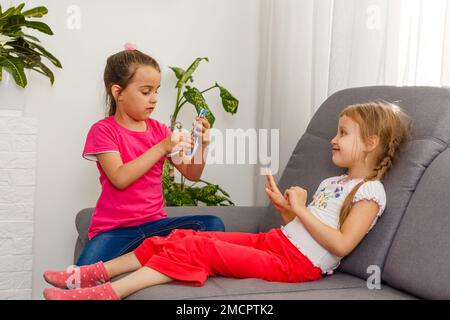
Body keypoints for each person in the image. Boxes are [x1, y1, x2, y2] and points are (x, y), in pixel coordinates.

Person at [43, 101, 412, 300]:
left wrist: (299, 209)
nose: (333, 139)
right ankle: (95, 273)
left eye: (343, 133)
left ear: (370, 143)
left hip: (296, 266)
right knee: (178, 238)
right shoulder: (334, 180)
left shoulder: (369, 192)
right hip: (278, 244)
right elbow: (304, 230)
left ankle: (106, 294)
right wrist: (287, 212)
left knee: (198, 249)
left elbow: (343, 244)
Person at [75, 45, 225, 266]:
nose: (154, 99)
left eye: (156, 91)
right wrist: (162, 147)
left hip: (155, 228)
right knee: (80, 274)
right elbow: (119, 177)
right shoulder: (104, 131)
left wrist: (203, 145)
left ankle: (153, 258)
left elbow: (191, 173)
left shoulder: (159, 130)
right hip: (114, 231)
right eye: (146, 92)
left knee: (212, 224)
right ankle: (155, 260)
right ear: (118, 92)